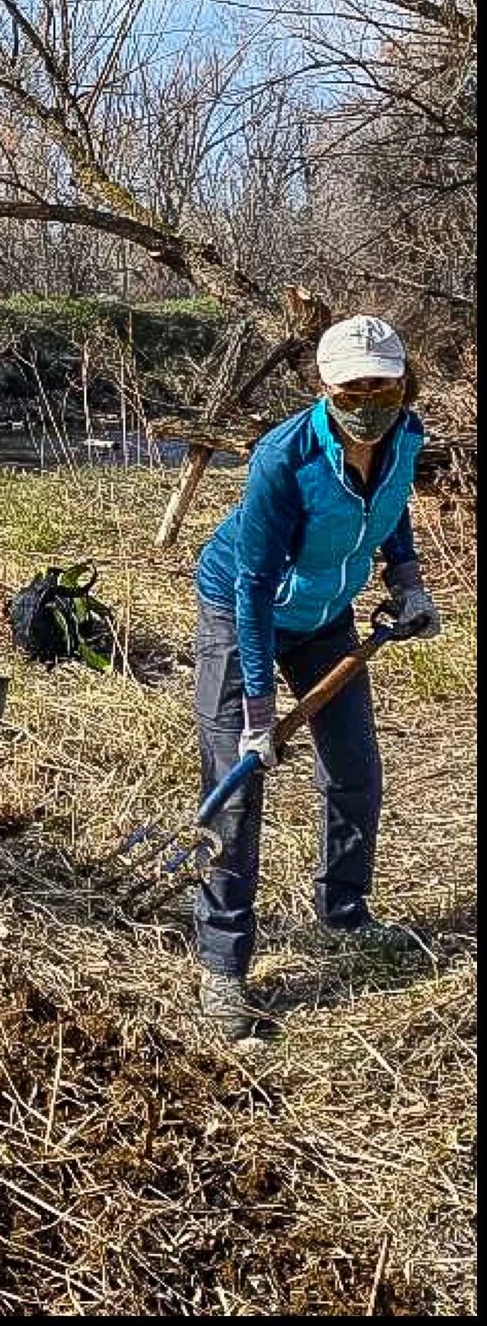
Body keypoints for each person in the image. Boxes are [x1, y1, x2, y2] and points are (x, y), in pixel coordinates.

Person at [188, 315, 444, 1040]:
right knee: (237, 787)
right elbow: (254, 581)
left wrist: (408, 581)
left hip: (327, 616)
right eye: (353, 389)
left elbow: (389, 513)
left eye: (382, 387)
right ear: (325, 387)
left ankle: (346, 913)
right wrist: (259, 709)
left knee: (355, 768)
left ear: (401, 384)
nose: (369, 402)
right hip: (247, 612)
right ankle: (223, 967)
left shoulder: (406, 433)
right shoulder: (284, 458)